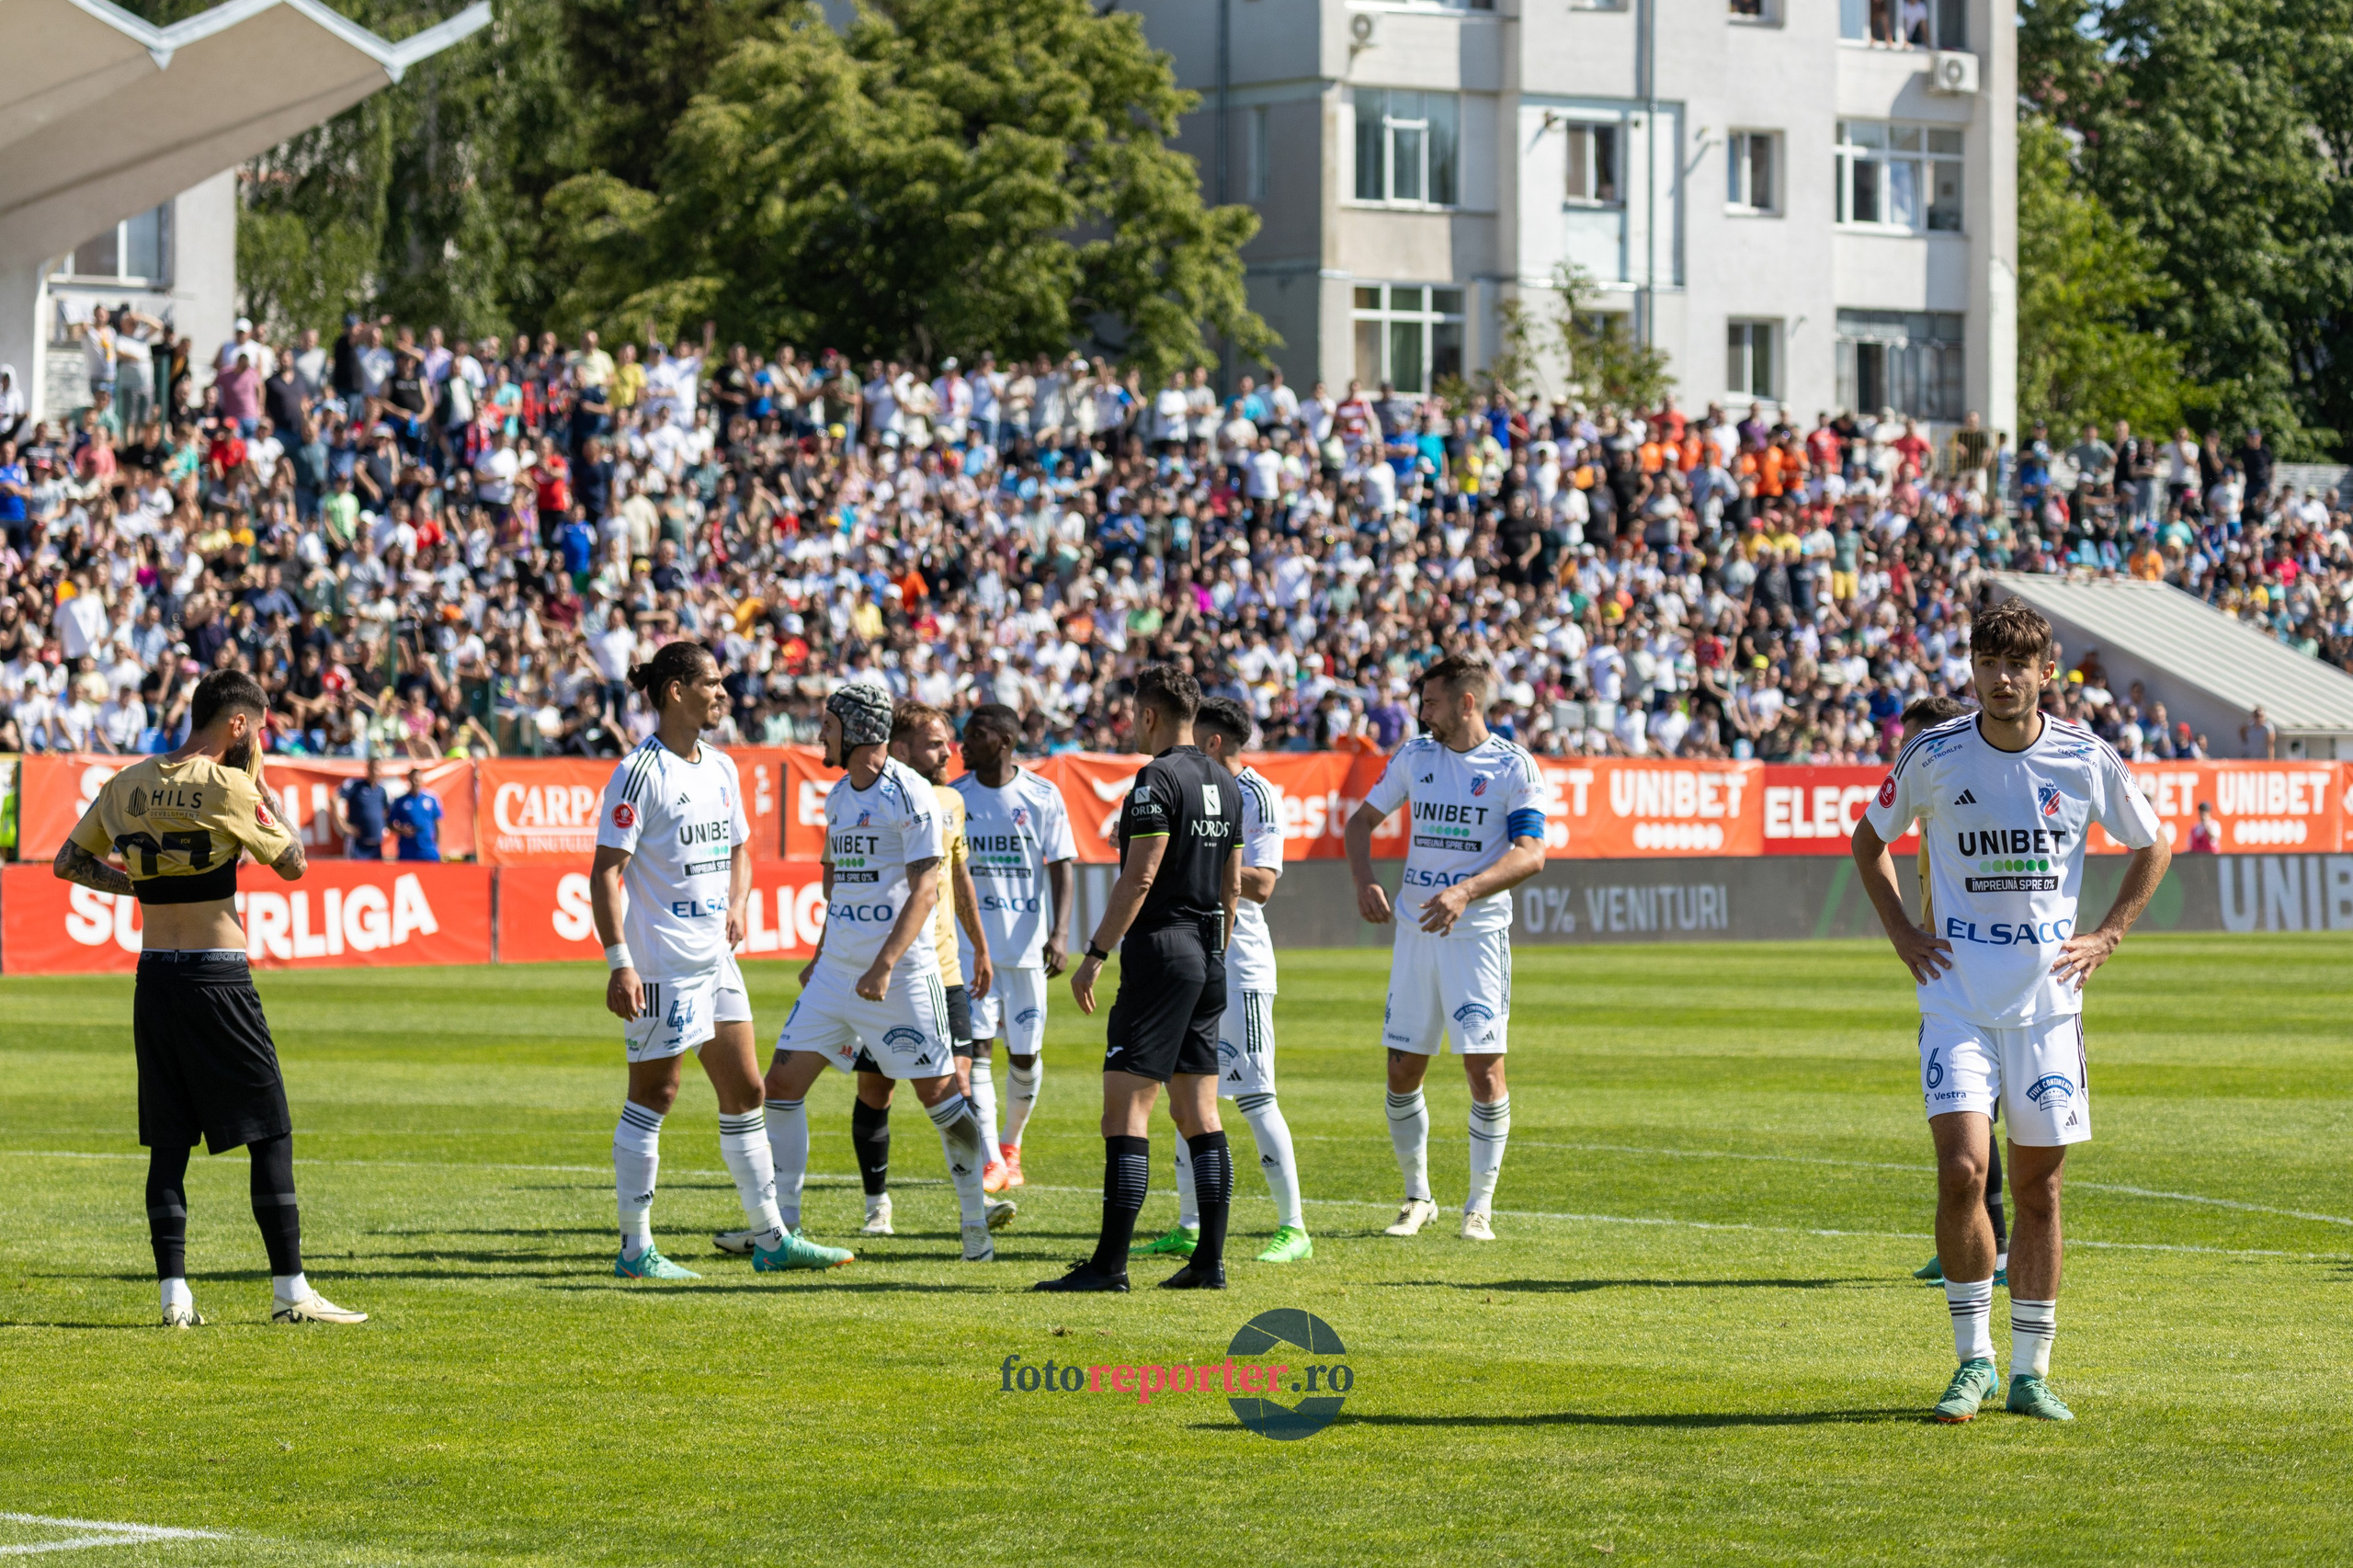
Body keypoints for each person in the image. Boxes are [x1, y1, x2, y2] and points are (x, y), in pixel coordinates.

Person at [1852, 599, 2171, 1424]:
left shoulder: (2084, 758)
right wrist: (1901, 930)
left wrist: (2107, 935)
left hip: (2048, 1009)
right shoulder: (1933, 754)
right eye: (1987, 663)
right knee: (1963, 1170)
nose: (2000, 679)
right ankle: (1974, 1362)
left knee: (2040, 1190)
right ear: (1972, 670)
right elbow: (1868, 836)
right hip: (1956, 996)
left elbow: (2153, 842)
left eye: (2016, 665)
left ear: (2044, 673)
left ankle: (2032, 1370)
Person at [52, 669, 363, 1327]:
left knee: (169, 1142)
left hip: (154, 978)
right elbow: (294, 863)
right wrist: (264, 789)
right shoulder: (231, 784)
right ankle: (291, 1292)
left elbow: (70, 863)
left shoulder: (127, 780)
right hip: (218, 977)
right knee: (270, 1131)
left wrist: (138, 888)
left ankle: (175, 1299)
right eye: (262, 724)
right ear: (239, 724)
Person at [761, 683, 997, 1264]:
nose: (820, 735)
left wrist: (885, 963)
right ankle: (782, 1230)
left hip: (900, 978)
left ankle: (975, 1223)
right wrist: (822, 954)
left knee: (943, 1099)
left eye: (828, 725)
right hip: (836, 975)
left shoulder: (911, 793)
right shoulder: (840, 794)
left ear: (860, 731)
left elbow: (926, 886)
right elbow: (836, 881)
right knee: (781, 1088)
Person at [1034, 665, 1242, 1293]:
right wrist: (1214, 956)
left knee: (1125, 1112)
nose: (1128, 725)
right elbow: (1232, 886)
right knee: (1198, 1111)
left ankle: (1109, 1266)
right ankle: (1209, 1262)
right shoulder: (1227, 782)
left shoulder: (1156, 779)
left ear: (1149, 715)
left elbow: (1140, 876)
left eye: (1131, 714)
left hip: (1163, 950)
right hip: (1209, 951)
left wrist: (1096, 952)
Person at [590, 642, 792, 1279]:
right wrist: (620, 962)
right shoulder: (639, 773)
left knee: (747, 1089)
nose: (722, 694)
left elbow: (741, 850)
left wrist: (737, 903)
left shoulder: (723, 767)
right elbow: (605, 873)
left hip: (716, 958)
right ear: (675, 690)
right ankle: (634, 1250)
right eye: (711, 683)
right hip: (662, 963)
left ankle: (771, 1238)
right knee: (657, 1093)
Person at [1342, 652, 1548, 1242]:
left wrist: (1467, 891)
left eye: (1431, 702)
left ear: (1467, 701)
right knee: (1402, 1070)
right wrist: (1366, 880)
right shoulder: (1415, 756)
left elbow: (1532, 853)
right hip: (1414, 934)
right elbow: (1360, 825)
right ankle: (1417, 1197)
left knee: (1484, 1071)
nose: (1421, 712)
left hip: (1477, 939)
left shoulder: (1513, 766)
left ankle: (1478, 1207)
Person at [1131, 696, 1313, 1265]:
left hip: (1242, 962)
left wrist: (1196, 864)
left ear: (1211, 742)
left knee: (1256, 1095)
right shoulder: (1190, 785)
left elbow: (1260, 885)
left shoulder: (1252, 792)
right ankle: (1189, 1222)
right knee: (1186, 1091)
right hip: (1195, 956)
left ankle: (1294, 1227)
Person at [1895, 695, 2009, 1290]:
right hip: (1947, 985)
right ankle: (1964, 1243)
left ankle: (2000, 1247)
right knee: (1965, 1128)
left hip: (1986, 991)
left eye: (1912, 743)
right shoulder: (1929, 815)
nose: (1902, 756)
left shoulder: (1968, 808)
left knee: (1977, 1127)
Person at [950, 702, 1077, 1190]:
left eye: (975, 735)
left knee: (1024, 1057)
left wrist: (1060, 934)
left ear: (1004, 741)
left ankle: (1011, 1145)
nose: (964, 744)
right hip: (971, 949)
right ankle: (989, 1159)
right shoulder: (955, 797)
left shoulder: (1043, 795)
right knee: (978, 1051)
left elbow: (1062, 861)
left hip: (1027, 949)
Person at [335, 756, 392, 858]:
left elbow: (388, 811)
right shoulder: (356, 785)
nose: (375, 772)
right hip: (357, 844)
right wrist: (342, 825)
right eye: (373, 768)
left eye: (377, 769)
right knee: (355, 873)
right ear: (368, 769)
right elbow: (334, 798)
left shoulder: (382, 790)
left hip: (376, 846)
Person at [386, 767, 443, 862]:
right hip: (407, 850)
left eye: (417, 779)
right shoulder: (400, 801)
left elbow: (438, 823)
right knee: (407, 876)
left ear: (421, 780)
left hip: (428, 850)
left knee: (430, 876)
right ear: (408, 780)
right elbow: (390, 824)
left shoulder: (431, 799)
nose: (415, 782)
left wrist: (437, 845)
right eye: (413, 779)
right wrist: (401, 829)